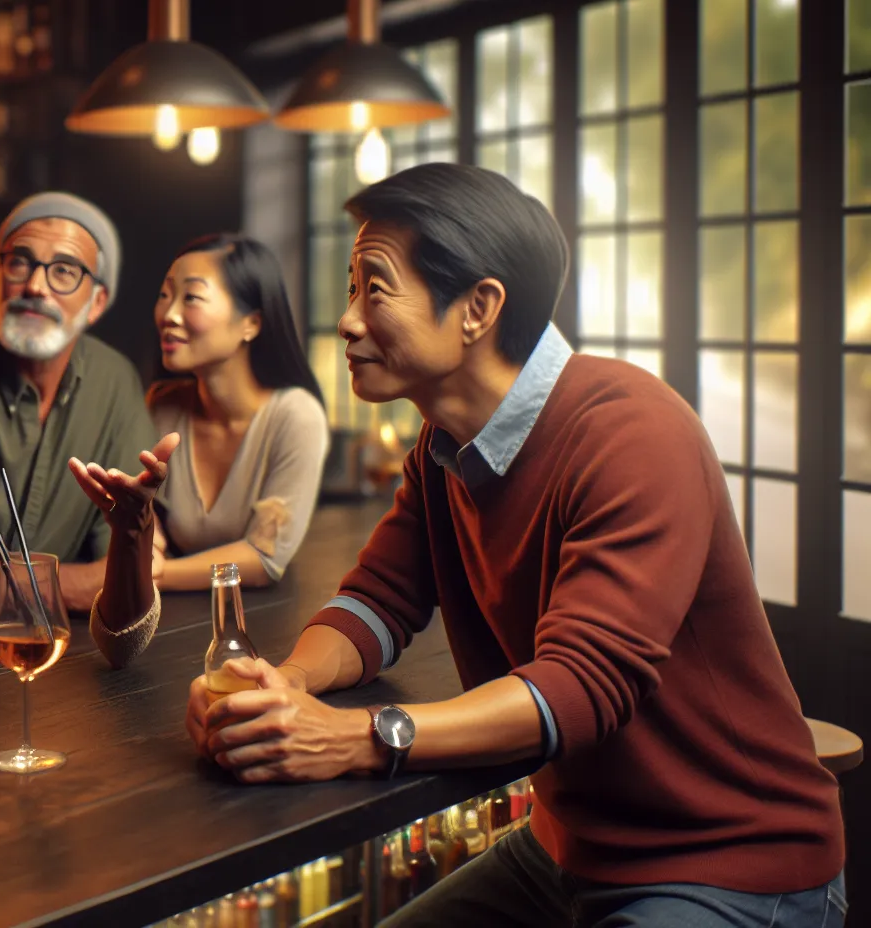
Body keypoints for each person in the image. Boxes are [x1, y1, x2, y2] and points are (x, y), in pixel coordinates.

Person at [186, 164, 846, 926]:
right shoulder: (442, 446)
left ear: (478, 308)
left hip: (727, 862)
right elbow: (378, 601)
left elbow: (581, 686)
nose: (347, 321)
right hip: (565, 849)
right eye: (351, 289)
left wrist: (361, 737)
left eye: (376, 289)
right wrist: (288, 685)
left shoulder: (632, 432)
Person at [0, 191, 171, 668]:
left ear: (96, 302)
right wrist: (81, 585)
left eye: (64, 271)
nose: (36, 285)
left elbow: (122, 549)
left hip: (72, 658)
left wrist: (139, 535)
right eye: (20, 262)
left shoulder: (114, 380)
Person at [146, 233, 328, 590]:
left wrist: (152, 576)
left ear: (251, 323)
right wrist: (146, 535)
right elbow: (138, 511)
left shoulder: (297, 416)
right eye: (165, 295)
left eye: (191, 297)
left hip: (263, 617)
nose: (169, 314)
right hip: (172, 616)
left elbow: (264, 559)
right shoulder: (161, 406)